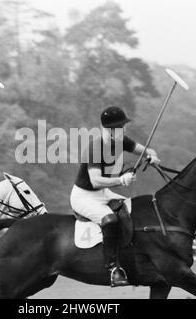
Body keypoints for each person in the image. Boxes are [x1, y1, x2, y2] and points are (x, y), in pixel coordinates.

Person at [70, 106, 160, 287]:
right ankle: (113, 269)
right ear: (110, 130)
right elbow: (95, 181)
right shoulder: (95, 147)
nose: (125, 129)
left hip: (102, 193)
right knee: (110, 220)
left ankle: (135, 259)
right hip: (84, 196)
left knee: (132, 212)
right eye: (121, 126)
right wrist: (121, 179)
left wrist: (152, 157)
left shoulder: (122, 141)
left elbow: (148, 151)